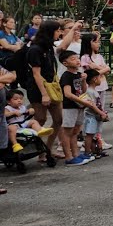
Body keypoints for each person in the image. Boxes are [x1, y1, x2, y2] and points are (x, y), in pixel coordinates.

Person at [25, 18, 67, 162]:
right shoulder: (35, 49)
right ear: (50, 32)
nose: (59, 33)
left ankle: (47, 149)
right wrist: (44, 94)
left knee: (58, 119)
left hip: (52, 85)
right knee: (41, 119)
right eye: (57, 30)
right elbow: (36, 74)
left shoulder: (49, 47)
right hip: (38, 89)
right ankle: (37, 150)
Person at [59, 50, 105, 165]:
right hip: (69, 107)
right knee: (67, 132)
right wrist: (85, 103)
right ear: (65, 63)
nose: (77, 60)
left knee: (75, 131)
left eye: (77, 58)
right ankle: (68, 157)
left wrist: (84, 80)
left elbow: (83, 91)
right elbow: (68, 94)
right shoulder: (66, 76)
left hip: (79, 106)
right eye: (73, 59)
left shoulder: (79, 74)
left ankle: (76, 154)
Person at [81, 69, 109, 158]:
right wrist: (101, 113)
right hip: (91, 116)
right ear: (95, 79)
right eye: (100, 77)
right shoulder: (91, 92)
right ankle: (87, 152)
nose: (101, 79)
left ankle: (95, 151)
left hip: (95, 116)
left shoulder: (92, 91)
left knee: (93, 135)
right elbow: (92, 105)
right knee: (90, 135)